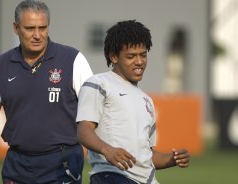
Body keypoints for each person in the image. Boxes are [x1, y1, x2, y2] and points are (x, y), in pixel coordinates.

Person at [0, 0, 93, 183]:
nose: (37, 35)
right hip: (17, 163)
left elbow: (94, 110)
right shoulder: (1, 65)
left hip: (62, 162)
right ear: (16, 28)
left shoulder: (73, 60)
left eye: (42, 28)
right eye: (30, 28)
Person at [76, 20, 190, 184]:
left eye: (143, 55)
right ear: (113, 57)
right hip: (113, 176)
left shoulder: (147, 100)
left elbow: (147, 156)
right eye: (131, 56)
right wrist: (107, 150)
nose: (139, 61)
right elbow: (83, 129)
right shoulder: (99, 83)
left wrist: (172, 159)